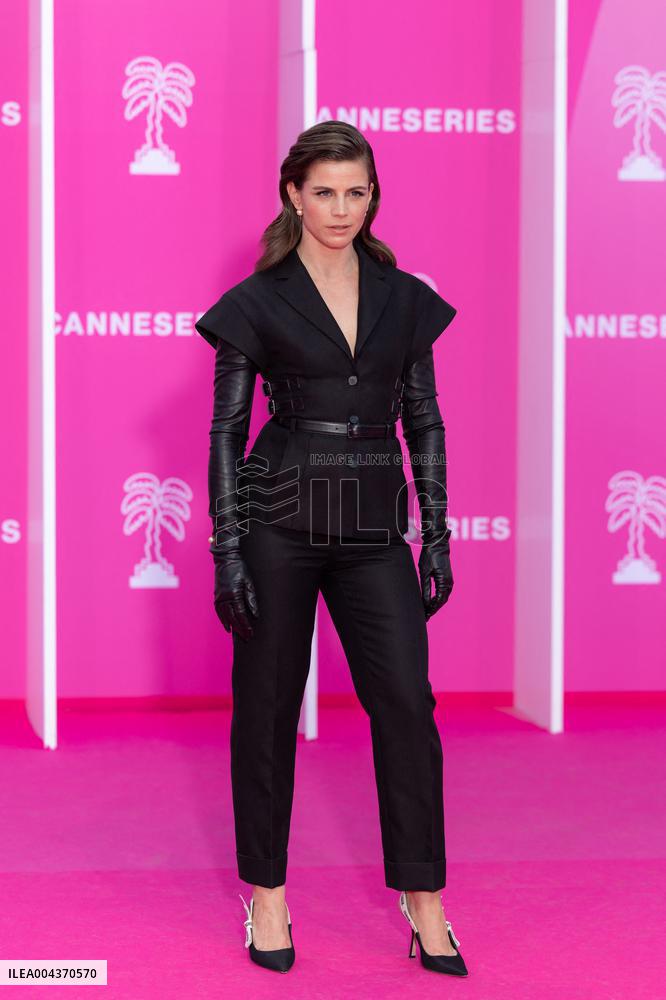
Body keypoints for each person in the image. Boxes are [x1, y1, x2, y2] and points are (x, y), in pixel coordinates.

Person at [195, 120, 468, 977]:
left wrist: (437, 531)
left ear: (372, 195)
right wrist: (227, 549)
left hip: (372, 529)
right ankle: (267, 895)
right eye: (324, 192)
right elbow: (226, 431)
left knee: (408, 711)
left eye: (357, 191)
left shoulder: (404, 297)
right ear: (293, 195)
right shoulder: (260, 298)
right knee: (267, 714)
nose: (341, 209)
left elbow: (422, 418)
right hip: (279, 517)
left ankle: (425, 901)